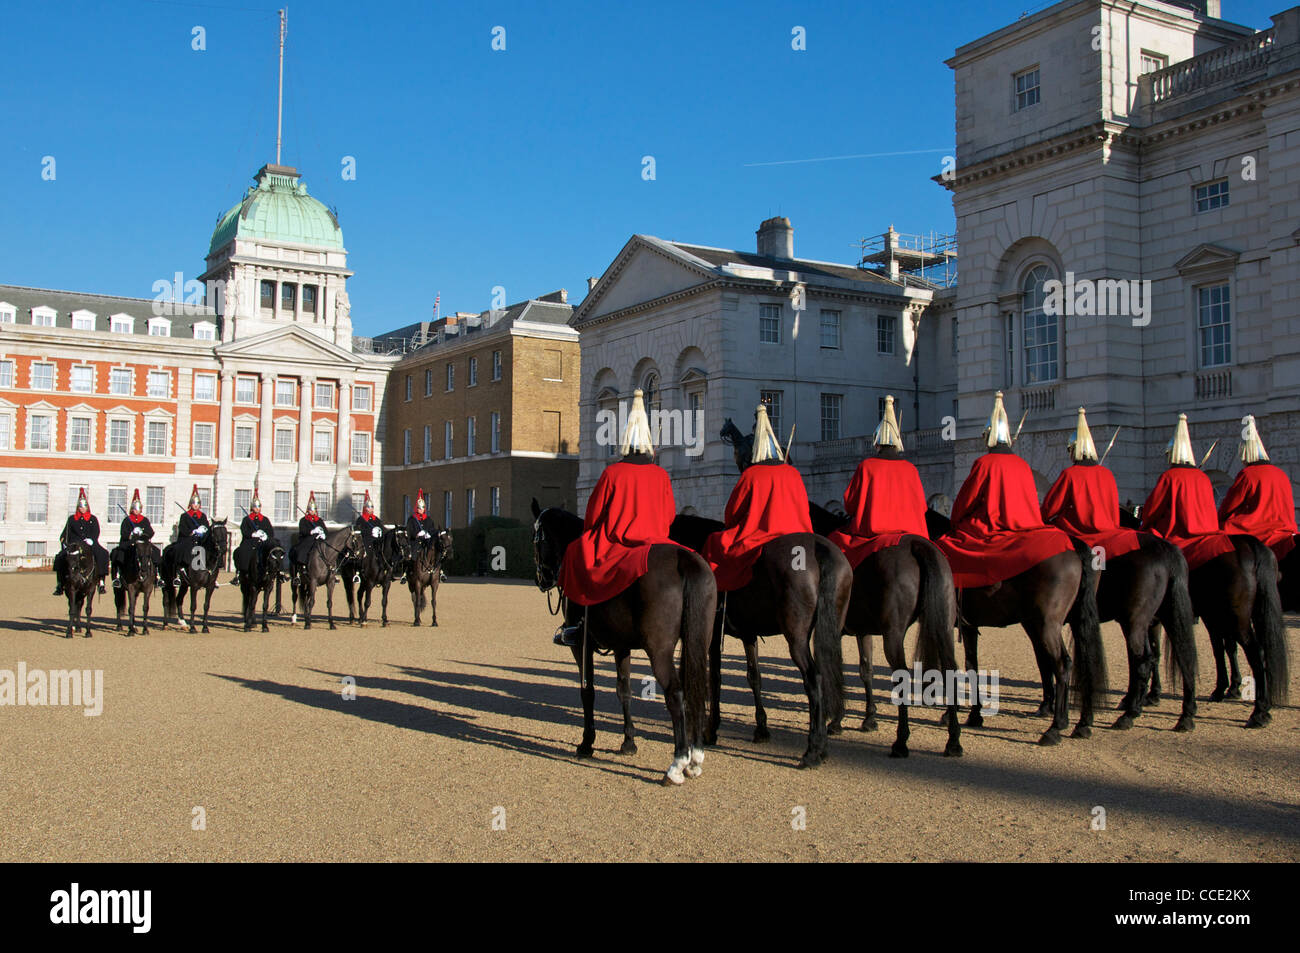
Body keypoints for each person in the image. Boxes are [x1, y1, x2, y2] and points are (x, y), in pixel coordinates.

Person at [554, 388, 683, 646]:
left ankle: (578, 625)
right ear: (649, 445)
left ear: (625, 443)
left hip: (618, 543)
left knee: (574, 551)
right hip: (657, 542)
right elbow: (669, 516)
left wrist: (595, 531)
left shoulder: (613, 473)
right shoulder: (661, 474)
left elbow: (593, 516)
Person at [935, 391, 1074, 589]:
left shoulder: (984, 463)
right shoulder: (1022, 464)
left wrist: (956, 520)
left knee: (946, 547)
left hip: (992, 526)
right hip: (1025, 525)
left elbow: (967, 500)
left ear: (988, 437)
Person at [703, 402, 814, 593]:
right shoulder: (793, 473)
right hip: (800, 535)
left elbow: (732, 514)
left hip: (760, 536)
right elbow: (804, 507)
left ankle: (719, 601)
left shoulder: (751, 474)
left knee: (714, 542)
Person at [826, 395, 929, 568]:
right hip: (913, 533)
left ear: (877, 443)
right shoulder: (911, 468)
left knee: (835, 542)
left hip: (872, 535)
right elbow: (923, 507)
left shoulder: (867, 466)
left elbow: (850, 505)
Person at [1040, 407, 1143, 562]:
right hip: (1109, 530)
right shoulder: (1106, 474)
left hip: (1079, 532)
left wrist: (1041, 518)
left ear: (1073, 450)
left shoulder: (1071, 474)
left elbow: (1050, 508)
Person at [1140, 414, 1235, 570]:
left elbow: (1154, 509)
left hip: (1179, 534)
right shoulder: (1203, 477)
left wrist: (1146, 521)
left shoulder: (1170, 476)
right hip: (1207, 531)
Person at [1217, 415, 1297, 562]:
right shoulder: (1281, 473)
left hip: (1258, 529)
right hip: (1286, 528)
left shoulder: (1247, 474)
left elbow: (1229, 506)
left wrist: (1218, 519)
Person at [53, 487, 110, 596]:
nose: (82, 509)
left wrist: (91, 539)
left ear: (87, 507)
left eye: (84, 507)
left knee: (103, 554)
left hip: (89, 543)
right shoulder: (72, 519)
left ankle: (101, 582)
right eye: (80, 507)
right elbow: (66, 533)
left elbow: (96, 531)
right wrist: (64, 542)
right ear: (78, 508)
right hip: (75, 545)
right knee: (60, 557)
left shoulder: (93, 518)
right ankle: (60, 584)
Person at [110, 489, 160, 589]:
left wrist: (143, 533)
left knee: (156, 552)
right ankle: (118, 576)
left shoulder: (144, 520)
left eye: (138, 509)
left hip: (143, 544)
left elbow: (151, 532)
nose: (136, 511)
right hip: (130, 544)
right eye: (135, 509)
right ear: (132, 509)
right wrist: (131, 534)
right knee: (118, 554)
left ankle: (158, 576)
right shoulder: (127, 520)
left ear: (141, 509)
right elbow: (123, 534)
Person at [232, 488, 278, 586]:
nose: (257, 508)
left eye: (259, 506)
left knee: (276, 550)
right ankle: (240, 573)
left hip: (263, 542)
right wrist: (253, 534)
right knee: (242, 551)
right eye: (255, 506)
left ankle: (278, 573)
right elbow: (244, 531)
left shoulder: (265, 520)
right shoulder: (247, 519)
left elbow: (270, 532)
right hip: (250, 541)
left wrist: (265, 536)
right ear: (252, 508)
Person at [292, 492, 328, 570]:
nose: (312, 511)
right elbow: (303, 531)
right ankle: (303, 565)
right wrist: (312, 531)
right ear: (308, 510)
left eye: (314, 509)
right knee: (305, 548)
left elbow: (325, 530)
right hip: (307, 539)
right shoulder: (303, 520)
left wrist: (323, 534)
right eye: (311, 509)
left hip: (320, 539)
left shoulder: (319, 520)